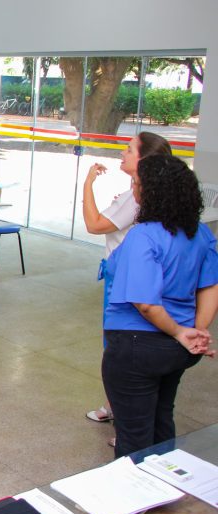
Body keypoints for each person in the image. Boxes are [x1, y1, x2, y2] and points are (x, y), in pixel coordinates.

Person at [102, 155, 218, 458]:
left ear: (153, 193)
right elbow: (210, 286)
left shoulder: (145, 235)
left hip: (137, 347)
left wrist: (181, 331)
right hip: (175, 352)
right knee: (160, 420)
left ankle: (135, 499)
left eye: (137, 184)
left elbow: (146, 304)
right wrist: (198, 331)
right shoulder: (202, 234)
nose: (134, 189)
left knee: (134, 436)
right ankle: (167, 491)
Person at [82, 132, 173, 431]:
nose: (123, 152)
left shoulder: (138, 199)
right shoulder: (140, 195)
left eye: (129, 149)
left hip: (122, 278)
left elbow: (94, 225)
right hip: (125, 274)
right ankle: (116, 409)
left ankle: (125, 420)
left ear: (144, 160)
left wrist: (88, 184)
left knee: (119, 346)